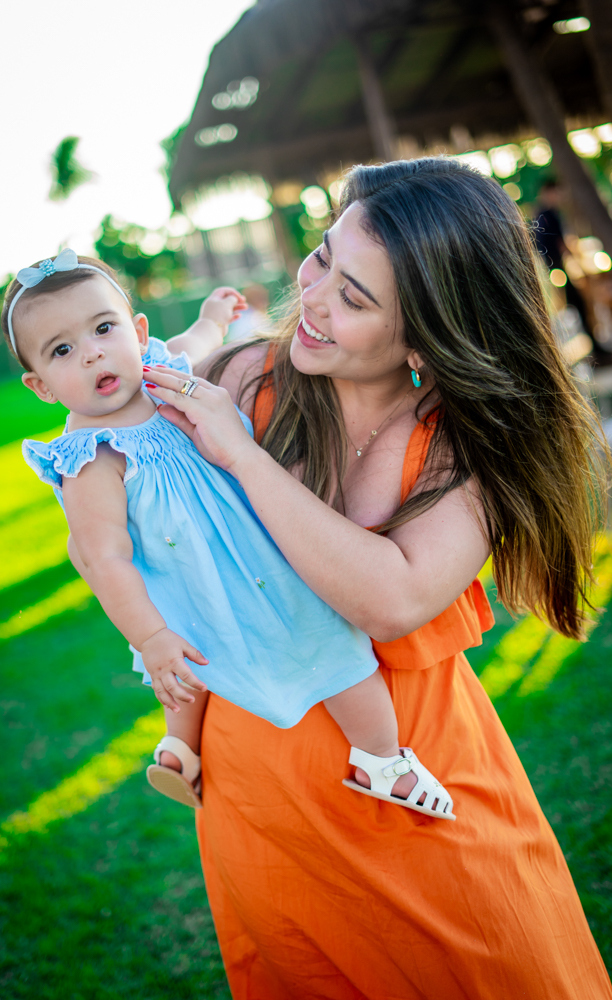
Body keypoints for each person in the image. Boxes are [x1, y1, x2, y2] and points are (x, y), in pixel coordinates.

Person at [142, 158, 612, 999]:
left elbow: (390, 598)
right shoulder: (243, 378)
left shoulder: (469, 449)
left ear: (428, 336)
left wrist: (243, 461)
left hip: (418, 796)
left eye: (354, 298)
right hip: (261, 803)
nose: (312, 299)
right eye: (322, 256)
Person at [4, 251, 455, 820]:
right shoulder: (91, 458)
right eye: (62, 350)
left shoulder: (160, 373)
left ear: (137, 333)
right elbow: (103, 558)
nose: (92, 350)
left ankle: (366, 758)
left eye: (103, 328)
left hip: (260, 556)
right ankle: (370, 760)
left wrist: (215, 315)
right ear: (41, 387)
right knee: (187, 660)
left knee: (328, 649)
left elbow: (195, 340)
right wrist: (149, 637)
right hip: (195, 585)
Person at [534, 179, 594, 337]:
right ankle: (590, 339)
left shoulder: (540, 215)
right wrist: (577, 262)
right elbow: (560, 243)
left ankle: (588, 338)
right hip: (559, 268)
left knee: (573, 304)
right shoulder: (549, 215)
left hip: (554, 268)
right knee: (576, 303)